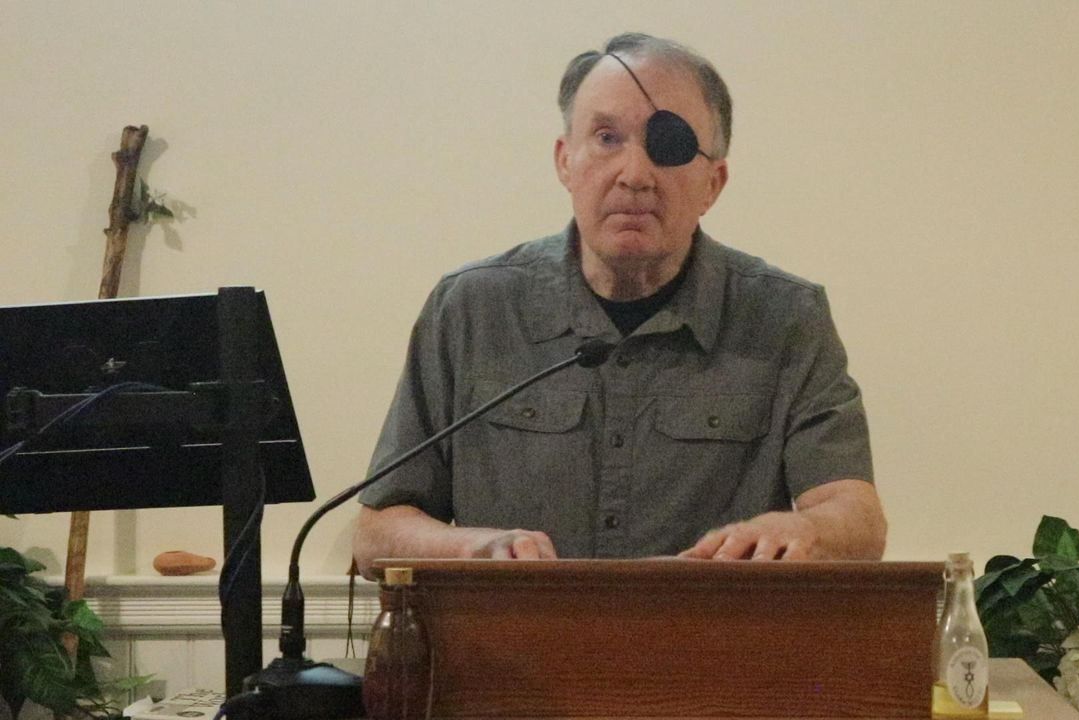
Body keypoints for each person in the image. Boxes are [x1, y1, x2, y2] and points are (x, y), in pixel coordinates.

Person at [353, 33, 886, 571]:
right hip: (512, 626)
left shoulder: (786, 318)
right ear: (565, 161)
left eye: (669, 145)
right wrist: (475, 549)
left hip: (708, 627)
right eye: (607, 137)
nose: (634, 175)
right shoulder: (472, 309)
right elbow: (377, 532)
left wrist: (801, 530)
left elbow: (859, 522)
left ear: (713, 183)